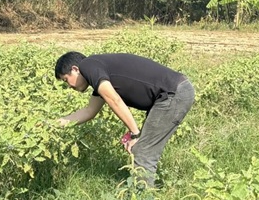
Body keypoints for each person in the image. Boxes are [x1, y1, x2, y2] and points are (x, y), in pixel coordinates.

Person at [54, 51, 195, 187]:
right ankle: (144, 197)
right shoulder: (99, 74)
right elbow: (89, 111)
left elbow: (114, 100)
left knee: (143, 152)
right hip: (171, 93)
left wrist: (135, 133)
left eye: (66, 80)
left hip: (173, 94)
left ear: (75, 69)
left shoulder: (88, 65)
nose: (69, 86)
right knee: (143, 150)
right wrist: (52, 125)